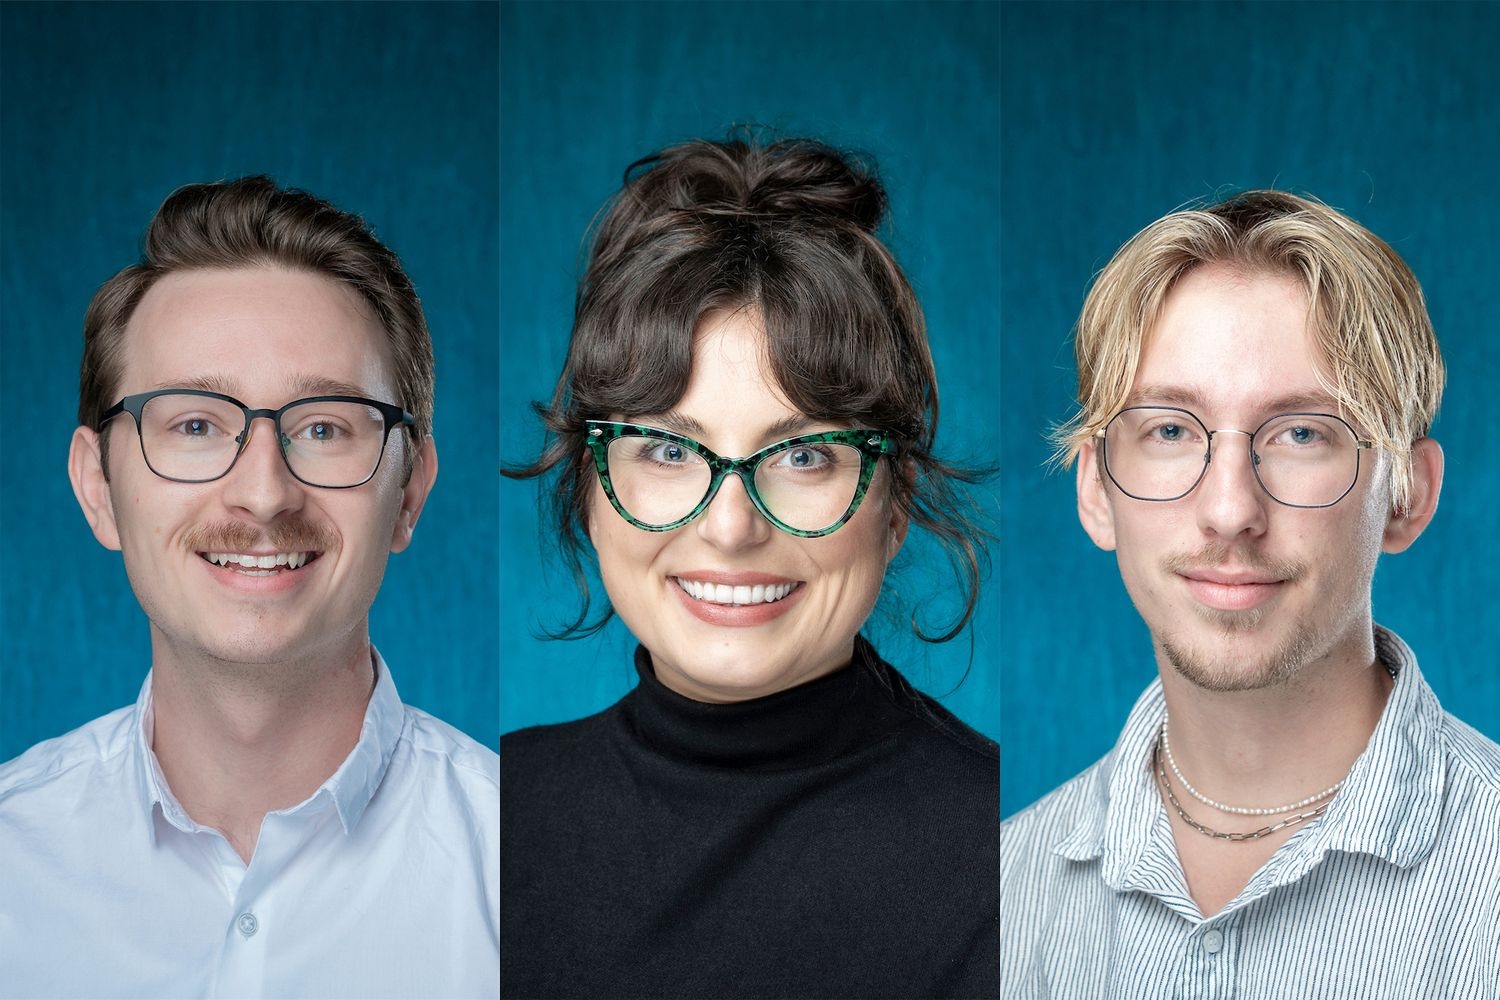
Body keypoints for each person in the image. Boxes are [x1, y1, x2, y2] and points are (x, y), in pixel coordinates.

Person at [501, 135, 998, 999]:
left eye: (804, 456)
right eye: (666, 449)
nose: (729, 528)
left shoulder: (1014, 856)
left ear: (897, 500)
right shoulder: (490, 818)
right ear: (588, 482)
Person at [0, 177, 499, 998]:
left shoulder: (525, 869)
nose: (264, 494)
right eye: (195, 424)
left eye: (325, 427)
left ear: (408, 494)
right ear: (98, 489)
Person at [1001, 191, 1500, 997]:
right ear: (1096, 490)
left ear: (1407, 495)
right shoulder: (1003, 893)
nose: (1230, 510)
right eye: (1168, 429)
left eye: (1302, 432)